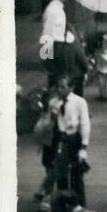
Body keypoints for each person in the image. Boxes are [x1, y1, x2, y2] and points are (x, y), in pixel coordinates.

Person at [41, 73, 90, 204]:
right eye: (58, 87)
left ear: (71, 87)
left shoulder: (79, 102)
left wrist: (84, 146)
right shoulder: (53, 103)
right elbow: (48, 126)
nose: (59, 90)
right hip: (59, 140)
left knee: (76, 175)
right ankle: (63, 203)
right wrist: (52, 116)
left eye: (63, 87)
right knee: (61, 174)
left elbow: (84, 124)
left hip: (73, 139)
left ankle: (79, 203)